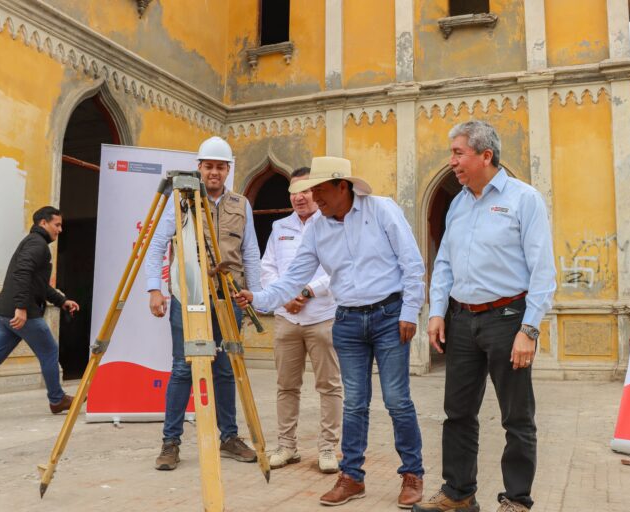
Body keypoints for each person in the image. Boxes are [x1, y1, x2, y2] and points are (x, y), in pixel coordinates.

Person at [235, 156, 426, 509]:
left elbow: (411, 262)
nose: (314, 198)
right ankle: (352, 477)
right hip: (348, 320)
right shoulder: (319, 229)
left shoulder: (382, 210)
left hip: (389, 315)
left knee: (397, 400)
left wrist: (410, 310)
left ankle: (412, 474)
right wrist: (258, 297)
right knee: (354, 403)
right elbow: (293, 277)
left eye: (319, 190)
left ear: (343, 186)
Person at [414, 121, 556, 512]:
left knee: (516, 416)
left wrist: (529, 329)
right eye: (452, 153)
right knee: (457, 413)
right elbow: (444, 263)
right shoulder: (459, 203)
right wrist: (438, 312)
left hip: (508, 320)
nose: (452, 162)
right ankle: (458, 493)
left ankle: (517, 500)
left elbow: (543, 269)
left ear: (485, 156)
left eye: (458, 153)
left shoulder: (524, 199)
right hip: (461, 321)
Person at [145, 136, 261, 471]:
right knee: (183, 368)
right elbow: (156, 244)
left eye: (220, 167)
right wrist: (155, 289)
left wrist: (257, 293)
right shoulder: (181, 200)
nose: (214, 172)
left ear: (228, 170)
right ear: (199, 167)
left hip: (230, 296)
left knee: (225, 369)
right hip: (190, 294)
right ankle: (171, 442)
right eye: (208, 166)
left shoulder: (241, 204)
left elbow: (250, 252)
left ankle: (229, 438)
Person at [0, 206, 80, 422]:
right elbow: (22, 274)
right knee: (49, 351)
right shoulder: (38, 245)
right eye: (57, 224)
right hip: (21, 312)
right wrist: (21, 308)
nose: (60, 229)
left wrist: (62, 300)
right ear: (43, 223)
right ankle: (57, 399)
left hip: (3, 312)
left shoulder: (32, 243)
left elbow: (39, 285)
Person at [261, 167, 343, 474]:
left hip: (322, 316)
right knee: (286, 385)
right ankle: (286, 446)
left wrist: (307, 292)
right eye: (293, 192)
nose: (298, 197)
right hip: (286, 319)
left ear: (316, 192)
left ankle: (327, 449)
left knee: (329, 386)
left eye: (304, 191)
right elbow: (267, 268)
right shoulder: (280, 227)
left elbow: (337, 269)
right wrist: (285, 296)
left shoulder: (333, 224)